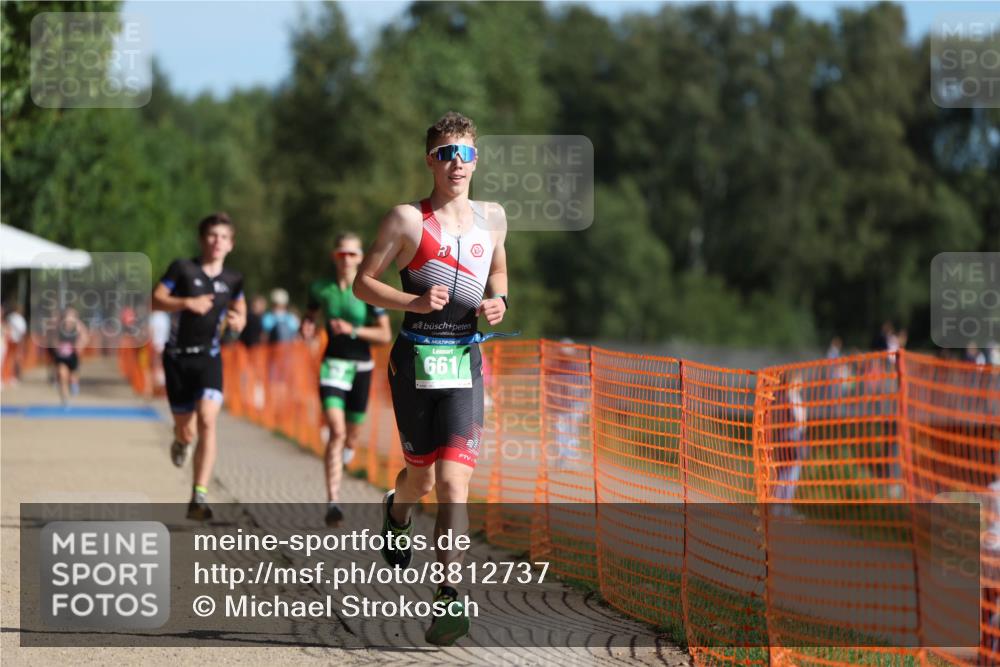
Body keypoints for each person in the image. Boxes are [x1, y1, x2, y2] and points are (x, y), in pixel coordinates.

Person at [353, 111, 510, 646]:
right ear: (430, 161)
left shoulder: (494, 218)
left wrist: (500, 301)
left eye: (465, 154)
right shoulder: (407, 220)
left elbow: (499, 271)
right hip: (416, 359)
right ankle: (397, 513)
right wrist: (413, 301)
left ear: (476, 160)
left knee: (453, 485)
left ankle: (449, 596)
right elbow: (362, 284)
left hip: (465, 359)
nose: (456, 164)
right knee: (419, 481)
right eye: (446, 154)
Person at [152, 212, 246, 521]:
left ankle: (198, 496)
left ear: (231, 244)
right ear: (202, 239)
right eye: (212, 235)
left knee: (207, 418)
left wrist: (239, 322)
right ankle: (181, 440)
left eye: (224, 237)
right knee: (187, 430)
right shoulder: (182, 268)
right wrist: (186, 303)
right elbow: (155, 300)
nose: (217, 241)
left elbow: (240, 310)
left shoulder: (233, 279)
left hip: (209, 358)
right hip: (177, 358)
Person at [304, 233, 391, 527]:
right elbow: (310, 315)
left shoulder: (369, 289)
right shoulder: (320, 288)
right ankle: (333, 501)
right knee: (337, 431)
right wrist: (307, 326)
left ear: (361, 257)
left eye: (352, 254)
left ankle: (347, 451)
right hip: (332, 365)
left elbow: (384, 335)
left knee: (352, 434)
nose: (346, 259)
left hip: (362, 367)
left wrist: (353, 330)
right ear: (335, 256)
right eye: (342, 254)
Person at [51, 307, 90, 405]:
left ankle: (74, 384)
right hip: (61, 357)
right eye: (67, 316)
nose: (69, 318)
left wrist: (80, 345)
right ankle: (64, 398)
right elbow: (53, 338)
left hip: (73, 356)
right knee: (62, 375)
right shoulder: (59, 326)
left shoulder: (78, 326)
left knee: (73, 377)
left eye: (71, 316)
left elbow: (85, 337)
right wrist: (56, 347)